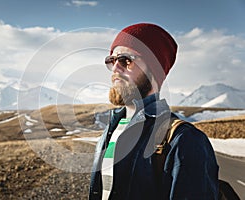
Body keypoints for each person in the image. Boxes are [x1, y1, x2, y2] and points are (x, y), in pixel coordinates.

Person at [89, 23, 219, 200]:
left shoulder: (185, 140)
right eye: (111, 60)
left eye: (126, 60)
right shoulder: (111, 130)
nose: (115, 68)